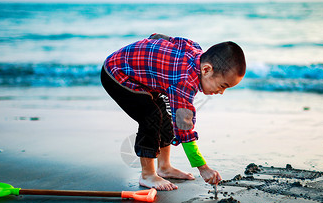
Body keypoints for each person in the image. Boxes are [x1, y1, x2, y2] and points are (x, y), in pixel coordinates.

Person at [101, 33, 246, 191]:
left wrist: (153, 42)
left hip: (143, 78)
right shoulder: (184, 82)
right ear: (206, 70)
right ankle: (147, 174)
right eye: (222, 85)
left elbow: (163, 38)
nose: (221, 92)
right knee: (151, 116)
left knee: (165, 113)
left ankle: (164, 167)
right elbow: (184, 130)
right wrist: (203, 168)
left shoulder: (196, 50)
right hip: (117, 74)